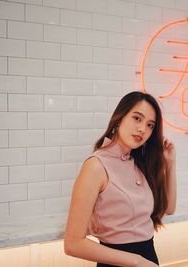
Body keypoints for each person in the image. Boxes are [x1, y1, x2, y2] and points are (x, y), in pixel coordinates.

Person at [64, 91, 177, 267]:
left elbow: (169, 208)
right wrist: (137, 261)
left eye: (150, 125)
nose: (143, 129)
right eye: (137, 118)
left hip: (149, 260)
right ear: (119, 117)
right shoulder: (96, 166)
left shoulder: (139, 163)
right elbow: (73, 244)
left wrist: (169, 164)